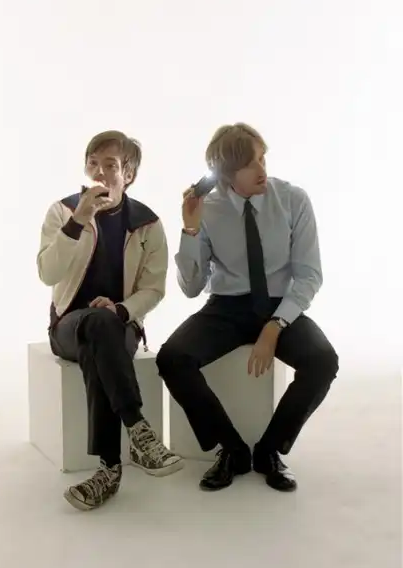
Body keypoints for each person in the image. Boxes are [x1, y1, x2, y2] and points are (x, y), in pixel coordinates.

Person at [156, 123, 338, 493]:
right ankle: (232, 450)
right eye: (250, 164)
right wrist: (190, 229)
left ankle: (270, 450)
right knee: (172, 358)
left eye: (262, 158)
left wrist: (275, 325)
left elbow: (309, 275)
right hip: (226, 307)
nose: (261, 169)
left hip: (280, 304)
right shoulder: (209, 209)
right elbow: (191, 288)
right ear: (226, 173)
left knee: (323, 361)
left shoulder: (293, 200)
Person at [37, 130, 183, 511]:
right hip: (67, 325)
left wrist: (120, 309)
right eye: (93, 164)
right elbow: (47, 273)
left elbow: (154, 289)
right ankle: (138, 430)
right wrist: (77, 222)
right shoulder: (63, 212)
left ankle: (109, 471)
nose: (100, 173)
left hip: (120, 324)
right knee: (95, 327)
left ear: (128, 174)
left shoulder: (147, 223)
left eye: (111, 166)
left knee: (101, 335)